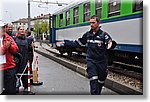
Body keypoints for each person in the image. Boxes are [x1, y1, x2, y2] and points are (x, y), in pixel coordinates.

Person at [57, 15, 115, 95]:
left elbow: (109, 42)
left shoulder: (103, 35)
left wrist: (110, 44)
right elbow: (77, 43)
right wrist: (65, 43)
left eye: (93, 23)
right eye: (90, 23)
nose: (91, 25)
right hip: (91, 61)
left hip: (102, 63)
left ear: (98, 23)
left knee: (100, 82)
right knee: (93, 81)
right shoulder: (87, 35)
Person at [0, 21, 18, 95]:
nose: (3, 29)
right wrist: (5, 47)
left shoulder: (8, 37)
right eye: (2, 27)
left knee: (10, 91)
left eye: (4, 27)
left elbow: (15, 49)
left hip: (9, 68)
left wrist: (9, 46)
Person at [14, 26, 30, 93]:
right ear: (18, 30)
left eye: (23, 29)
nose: (22, 30)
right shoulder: (14, 39)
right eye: (21, 29)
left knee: (25, 73)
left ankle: (25, 86)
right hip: (17, 59)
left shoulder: (27, 39)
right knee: (16, 73)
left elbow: (29, 50)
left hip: (25, 58)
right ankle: (16, 86)